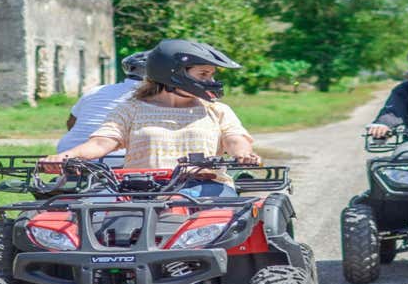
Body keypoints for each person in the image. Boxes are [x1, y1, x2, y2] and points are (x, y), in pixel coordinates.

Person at [43, 39, 259, 198]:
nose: (211, 80)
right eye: (203, 74)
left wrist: (244, 154)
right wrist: (65, 157)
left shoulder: (217, 110)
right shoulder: (131, 109)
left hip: (206, 189)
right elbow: (100, 143)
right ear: (173, 73)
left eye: (211, 74)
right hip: (139, 190)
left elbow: (234, 138)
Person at [56, 51, 150, 165]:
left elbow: (71, 123)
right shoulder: (154, 96)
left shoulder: (96, 91)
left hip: (67, 151)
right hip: (114, 157)